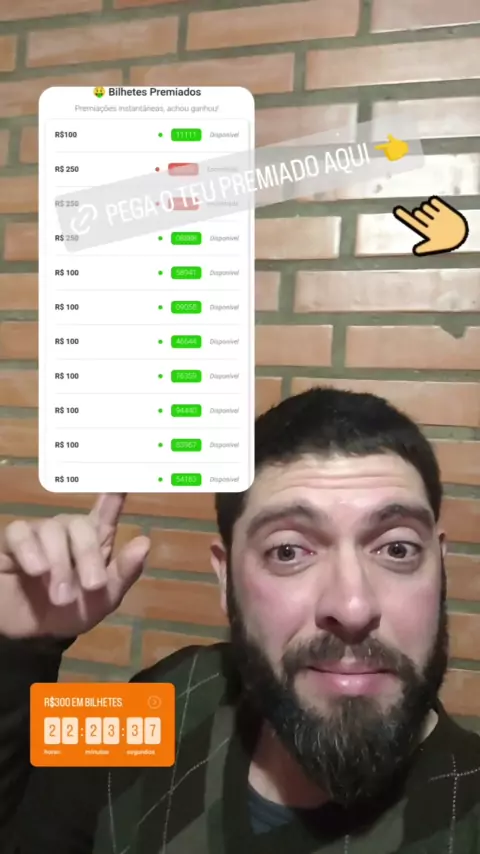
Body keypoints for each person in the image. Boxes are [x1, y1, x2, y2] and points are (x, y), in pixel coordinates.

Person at [0, 386, 479, 854]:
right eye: (288, 551)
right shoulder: (168, 693)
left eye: (397, 549)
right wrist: (17, 649)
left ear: (439, 566)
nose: (352, 607)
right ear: (225, 577)